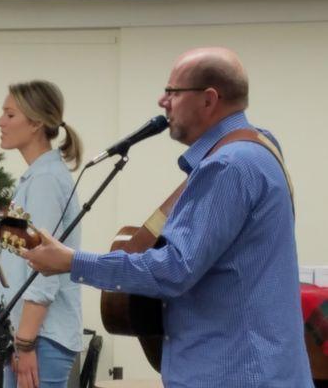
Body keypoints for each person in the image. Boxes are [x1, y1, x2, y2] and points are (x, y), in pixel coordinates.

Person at [22, 48, 314, 387]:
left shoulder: (228, 166)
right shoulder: (261, 145)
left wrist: (73, 261)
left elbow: (174, 270)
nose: (163, 101)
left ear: (209, 99)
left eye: (173, 92)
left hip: (233, 372)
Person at [0, 80, 83, 388]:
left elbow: (45, 269)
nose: (0, 122)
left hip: (40, 338)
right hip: (28, 333)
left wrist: (26, 342)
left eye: (9, 114)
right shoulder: (36, 177)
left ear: (36, 123)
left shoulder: (46, 180)